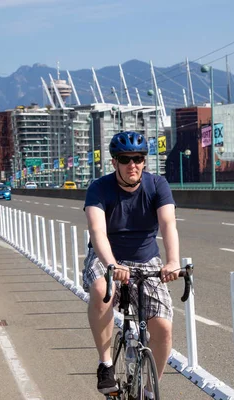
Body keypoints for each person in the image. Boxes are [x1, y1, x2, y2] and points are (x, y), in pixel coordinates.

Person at [83, 131, 180, 395]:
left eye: (138, 158)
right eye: (125, 159)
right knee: (103, 290)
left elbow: (168, 223)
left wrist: (172, 261)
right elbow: (97, 231)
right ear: (114, 162)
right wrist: (112, 264)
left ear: (145, 161)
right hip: (107, 256)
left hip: (146, 259)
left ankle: (150, 390)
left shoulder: (157, 185)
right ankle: (105, 364)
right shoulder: (99, 188)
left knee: (162, 326)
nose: (132, 165)